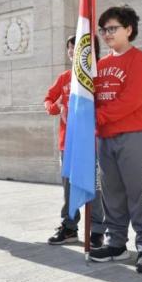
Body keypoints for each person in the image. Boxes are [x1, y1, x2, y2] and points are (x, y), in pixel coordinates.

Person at [88, 5, 142, 274]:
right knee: (112, 194)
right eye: (103, 29)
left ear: (128, 29)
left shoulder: (140, 61)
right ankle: (116, 244)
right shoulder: (101, 65)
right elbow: (92, 100)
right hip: (105, 138)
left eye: (112, 28)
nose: (107, 34)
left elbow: (132, 99)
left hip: (136, 135)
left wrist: (99, 117)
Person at [44, 35, 105, 247]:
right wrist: (57, 107)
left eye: (75, 48)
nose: (71, 52)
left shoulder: (98, 76)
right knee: (69, 186)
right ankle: (69, 227)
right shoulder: (64, 77)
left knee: (95, 186)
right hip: (67, 144)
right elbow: (48, 99)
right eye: (69, 48)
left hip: (92, 142)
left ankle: (97, 229)